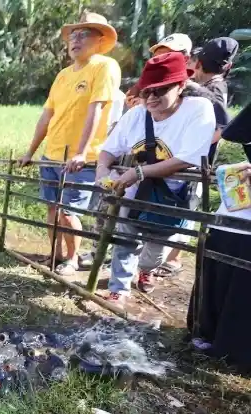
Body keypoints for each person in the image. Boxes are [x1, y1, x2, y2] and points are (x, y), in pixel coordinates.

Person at [95, 52, 216, 305]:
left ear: (181, 85)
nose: (151, 98)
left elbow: (188, 158)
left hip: (173, 197)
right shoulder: (136, 115)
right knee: (125, 239)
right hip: (133, 193)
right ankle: (120, 287)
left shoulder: (199, 110)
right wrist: (102, 172)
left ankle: (146, 269)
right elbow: (108, 150)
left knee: (155, 253)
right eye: (146, 91)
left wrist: (138, 172)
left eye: (160, 90)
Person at [17, 11, 121, 276]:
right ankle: (55, 255)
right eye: (73, 36)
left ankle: (72, 259)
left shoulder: (104, 67)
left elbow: (96, 110)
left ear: (99, 39)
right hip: (52, 154)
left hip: (80, 158)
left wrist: (82, 152)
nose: (76, 40)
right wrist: (31, 151)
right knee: (52, 209)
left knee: (67, 211)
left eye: (84, 34)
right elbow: (47, 115)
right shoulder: (63, 75)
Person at [153, 37, 238, 280]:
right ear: (228, 66)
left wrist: (197, 143)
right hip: (190, 157)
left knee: (187, 206)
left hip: (195, 160)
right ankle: (171, 257)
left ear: (196, 62)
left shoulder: (212, 90)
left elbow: (224, 126)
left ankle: (173, 259)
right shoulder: (214, 86)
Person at [186, 101, 251, 370]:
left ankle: (236, 348)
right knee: (222, 264)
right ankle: (210, 335)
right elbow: (236, 132)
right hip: (237, 215)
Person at [126, 33, 193, 109]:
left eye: (166, 57)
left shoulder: (196, 100)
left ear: (186, 59)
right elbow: (130, 97)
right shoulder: (143, 85)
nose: (159, 62)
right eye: (156, 57)